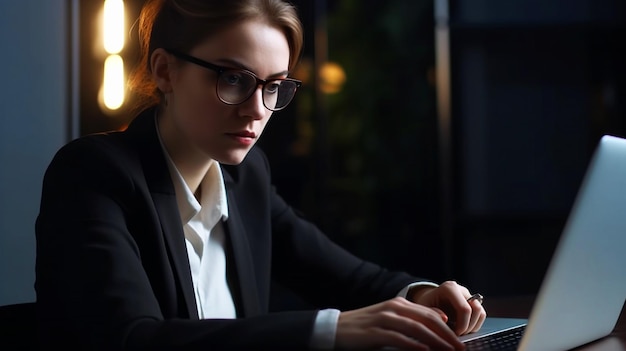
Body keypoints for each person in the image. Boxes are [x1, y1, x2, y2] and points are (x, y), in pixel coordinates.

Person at [34, 0, 486, 350]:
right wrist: (331, 331)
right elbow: (133, 341)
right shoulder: (93, 174)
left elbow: (346, 277)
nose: (257, 110)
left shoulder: (245, 177)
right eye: (233, 79)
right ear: (164, 70)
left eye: (274, 86)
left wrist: (423, 296)